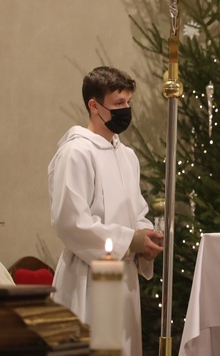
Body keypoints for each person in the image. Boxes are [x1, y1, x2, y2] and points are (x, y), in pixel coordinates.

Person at [48, 66, 163, 356]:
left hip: (124, 277)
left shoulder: (127, 156)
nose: (125, 110)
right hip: (89, 276)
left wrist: (146, 236)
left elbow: (137, 209)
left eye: (128, 103)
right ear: (94, 105)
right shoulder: (76, 153)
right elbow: (71, 222)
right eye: (118, 104)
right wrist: (130, 240)